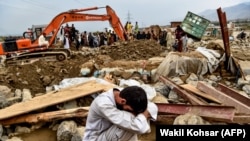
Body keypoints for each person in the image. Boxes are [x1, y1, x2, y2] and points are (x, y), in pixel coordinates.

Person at [83, 86, 158, 141]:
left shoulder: (124, 94)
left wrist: (141, 115)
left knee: (133, 122)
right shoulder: (103, 104)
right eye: (130, 109)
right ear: (123, 101)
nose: (133, 113)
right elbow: (139, 128)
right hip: (96, 138)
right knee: (130, 125)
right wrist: (144, 115)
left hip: (109, 134)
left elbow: (153, 106)